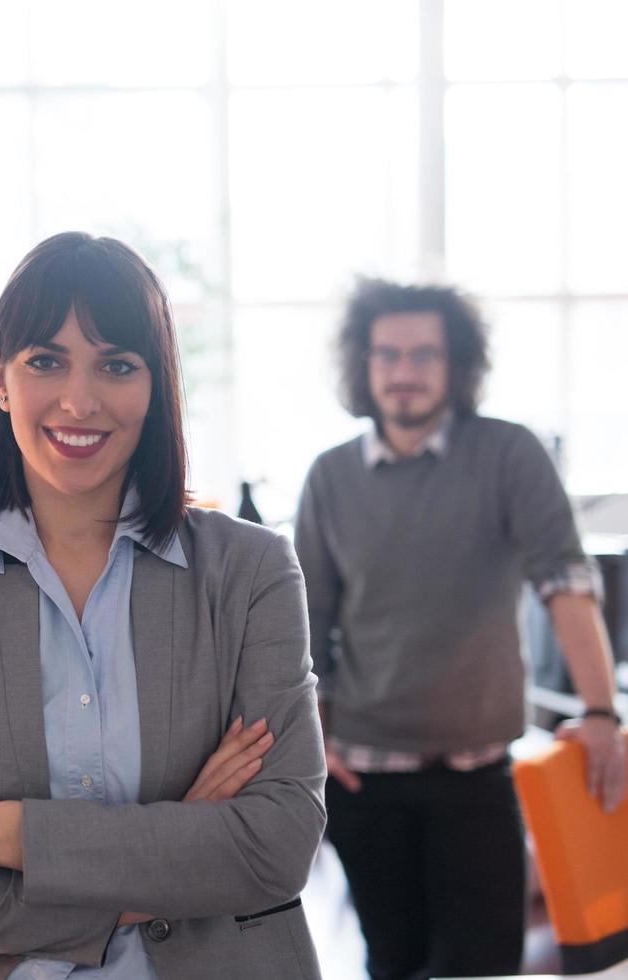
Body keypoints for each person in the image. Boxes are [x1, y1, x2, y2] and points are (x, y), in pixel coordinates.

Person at [0, 233, 327, 980]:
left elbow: (277, 845)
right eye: (46, 361)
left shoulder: (250, 573)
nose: (79, 399)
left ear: (156, 383)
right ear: (0, 376)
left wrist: (1, 833)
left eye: (117, 365)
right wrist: (178, 844)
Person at [294, 278, 627, 980]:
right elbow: (308, 624)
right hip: (364, 778)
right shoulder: (328, 476)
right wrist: (313, 735)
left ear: (456, 365)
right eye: (387, 355)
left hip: (476, 774)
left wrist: (600, 712)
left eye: (424, 354)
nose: (405, 372)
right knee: (392, 961)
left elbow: (566, 582)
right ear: (364, 364)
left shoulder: (508, 455)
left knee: (482, 964)